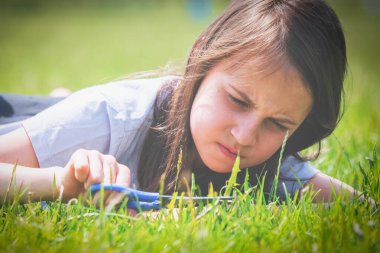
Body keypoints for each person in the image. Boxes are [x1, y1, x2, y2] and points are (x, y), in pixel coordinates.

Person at [0, 0, 361, 207]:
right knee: (65, 120)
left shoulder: (270, 163)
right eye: (237, 100)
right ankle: (58, 102)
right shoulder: (110, 117)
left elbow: (360, 207)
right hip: (17, 116)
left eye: (278, 124)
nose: (245, 136)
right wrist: (58, 182)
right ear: (201, 60)